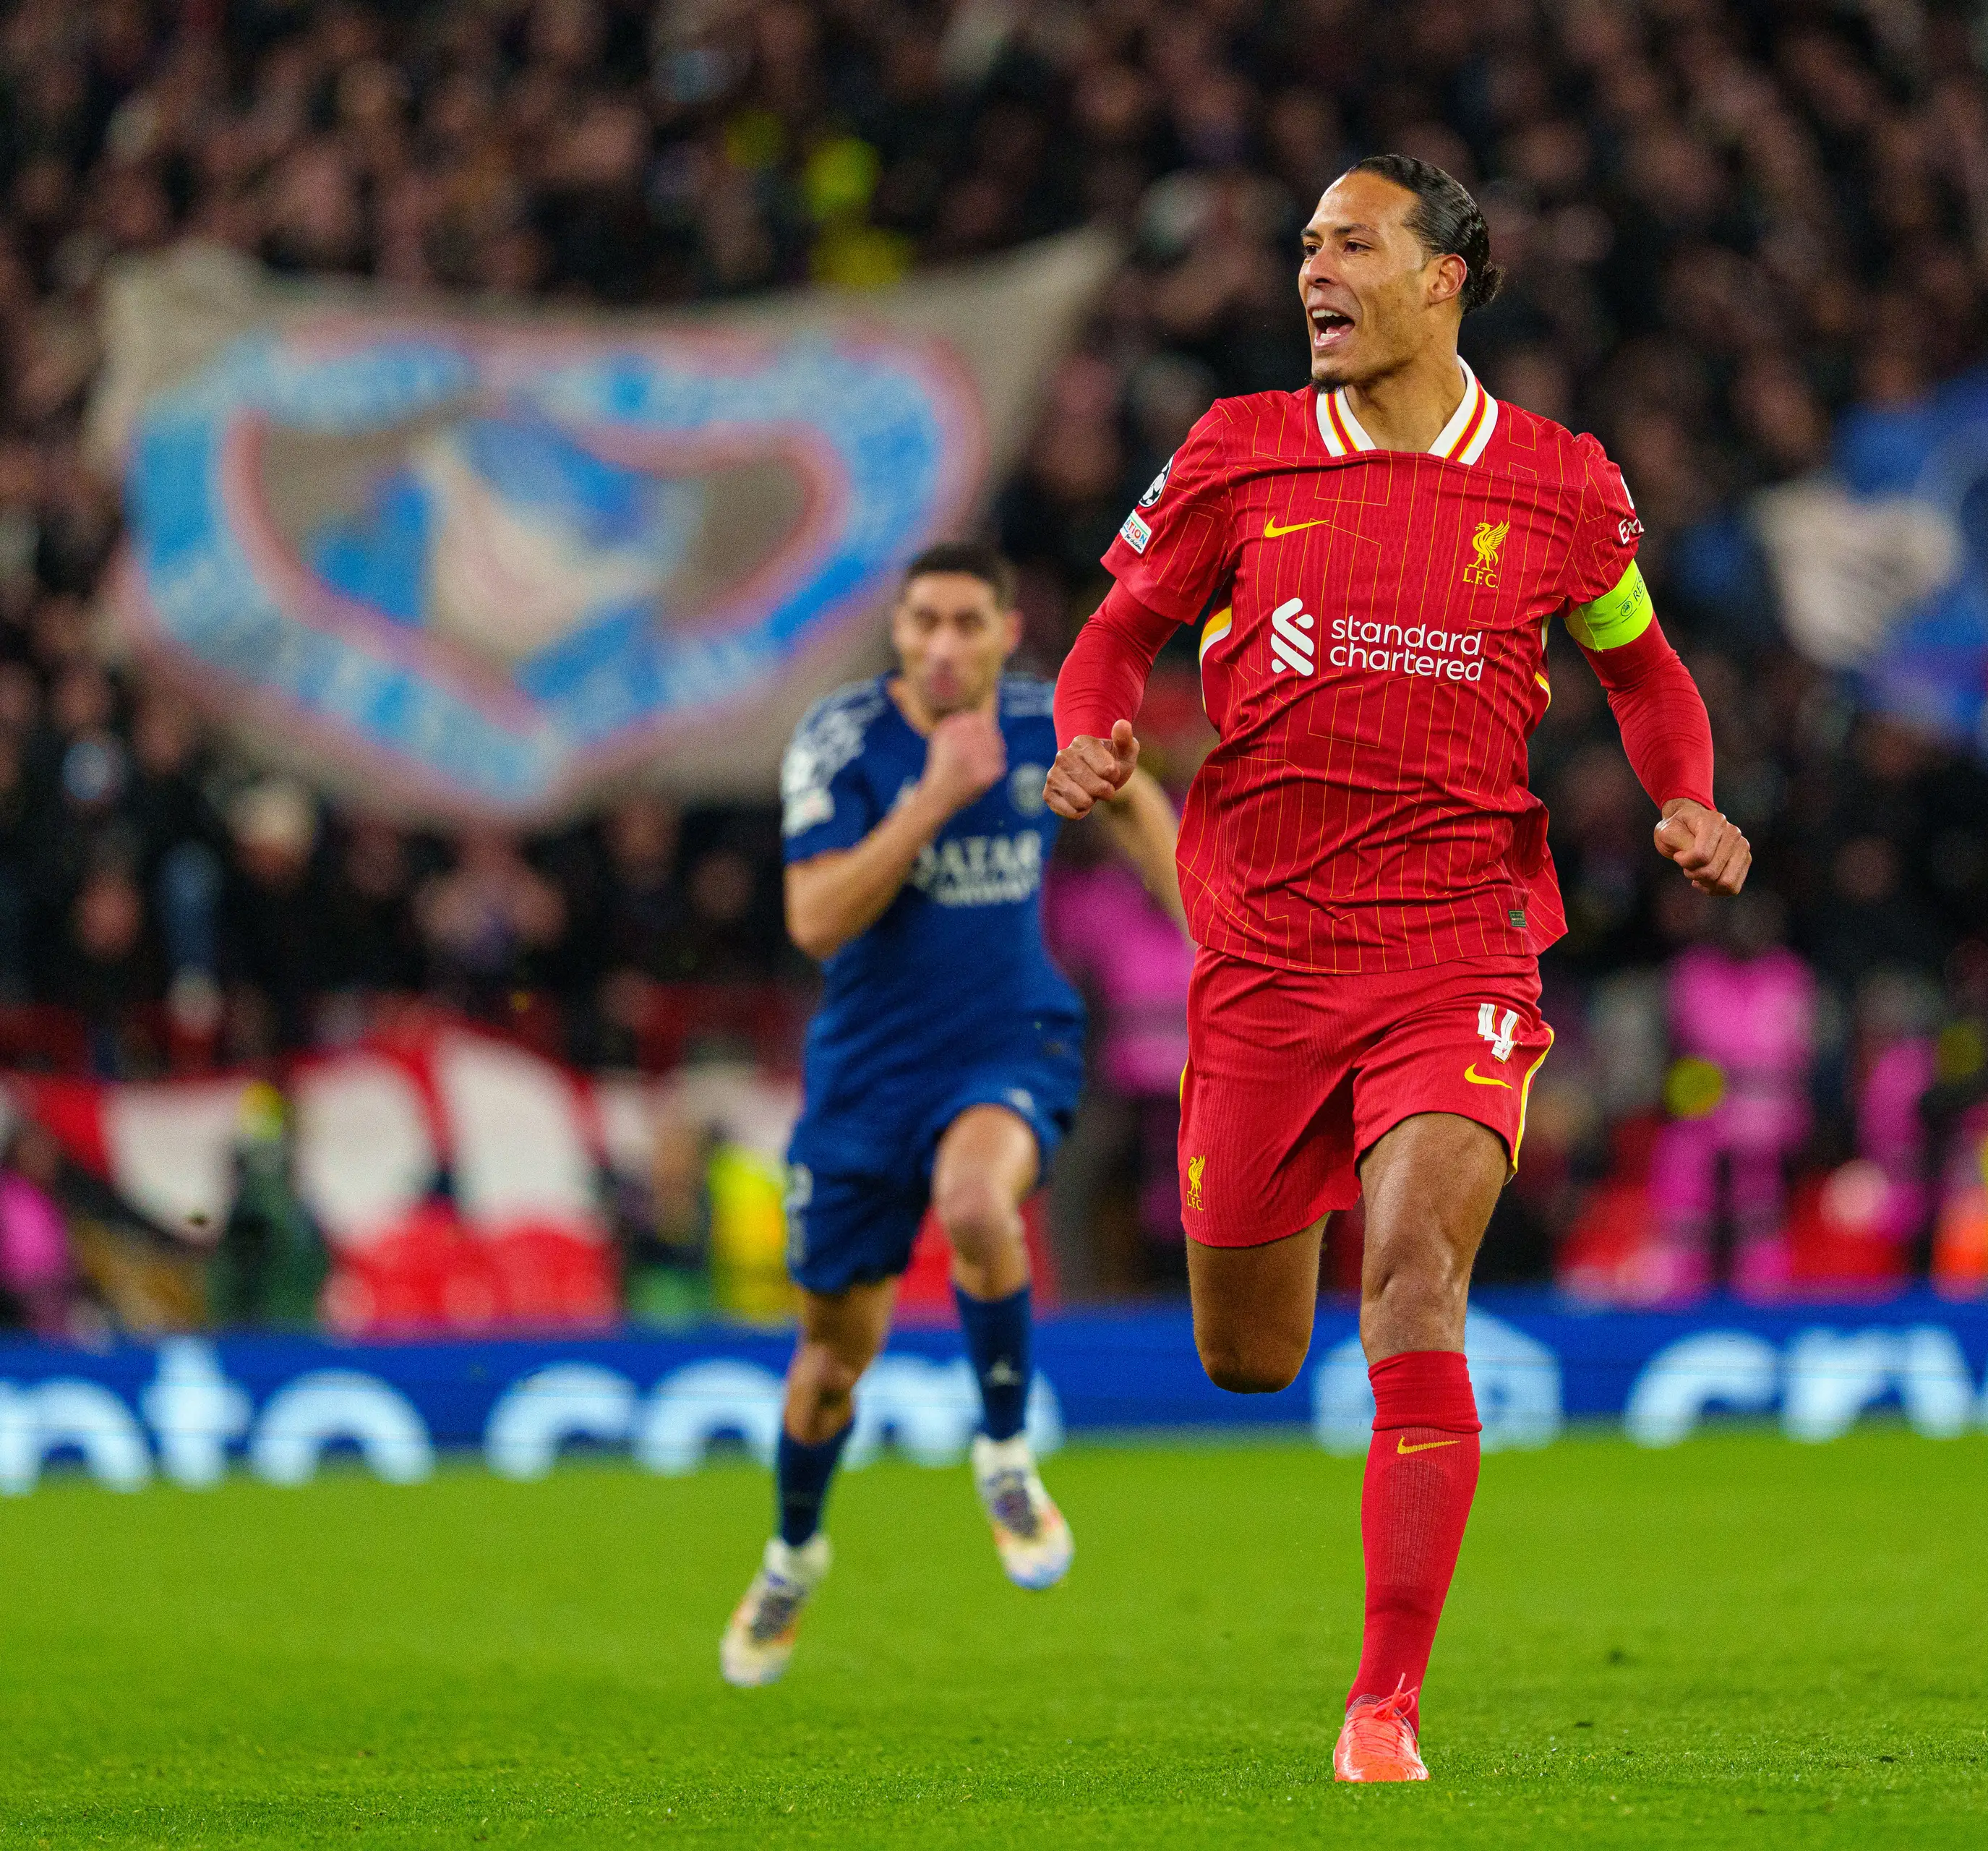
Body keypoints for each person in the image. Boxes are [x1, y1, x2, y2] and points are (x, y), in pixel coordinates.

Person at [1047, 155, 1749, 1782]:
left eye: (1349, 244)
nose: (1312, 271)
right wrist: (1090, 737)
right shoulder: (1238, 451)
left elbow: (1646, 675)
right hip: (1269, 957)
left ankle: (1384, 1703)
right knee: (1248, 1349)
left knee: (1415, 1272)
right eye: (1302, 245)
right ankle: (1187, 899)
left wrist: (1690, 798)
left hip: (1460, 942)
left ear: (1444, 276)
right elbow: (1110, 639)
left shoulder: (1564, 485)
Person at [719, 541, 1184, 1687]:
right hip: (867, 1080)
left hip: (1007, 1041)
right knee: (831, 1362)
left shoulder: (1042, 725)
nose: (942, 644)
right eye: (924, 621)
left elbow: (1134, 808)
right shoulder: (842, 744)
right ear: (897, 631)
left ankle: (1007, 1453)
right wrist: (932, 800)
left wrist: (1214, 943)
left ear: (1007, 632)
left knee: (978, 1204)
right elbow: (818, 920)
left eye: (967, 622)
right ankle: (793, 1552)